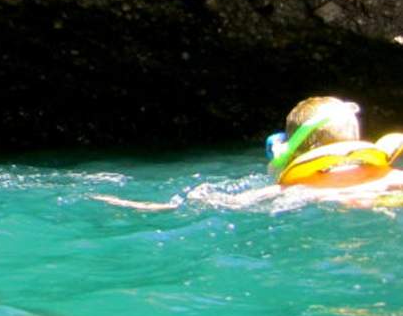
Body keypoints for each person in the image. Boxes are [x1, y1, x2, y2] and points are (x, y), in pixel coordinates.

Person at [93, 96, 403, 211]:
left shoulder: (290, 189)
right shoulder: (392, 177)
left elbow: (216, 202)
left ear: (286, 149)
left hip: (321, 206)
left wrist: (147, 205)